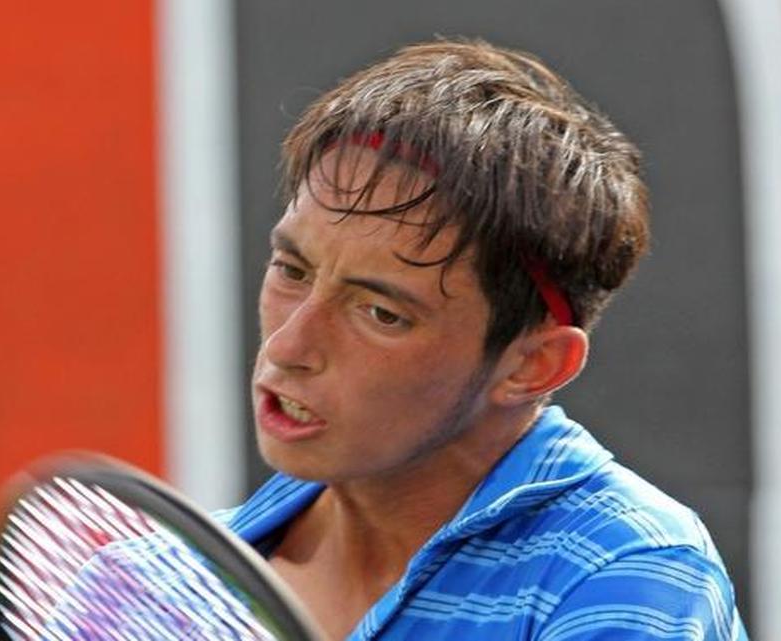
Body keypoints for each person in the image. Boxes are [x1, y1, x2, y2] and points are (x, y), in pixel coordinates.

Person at [221, 38, 748, 640]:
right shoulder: (149, 580)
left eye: (380, 313)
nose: (289, 348)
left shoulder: (628, 570)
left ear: (533, 365)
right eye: (292, 270)